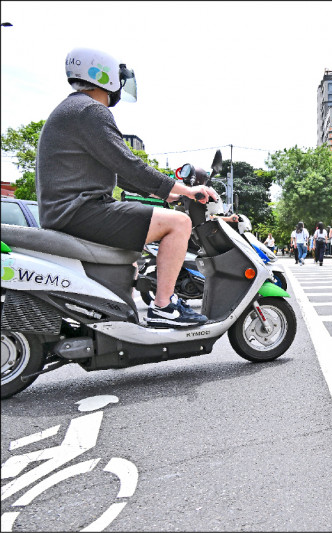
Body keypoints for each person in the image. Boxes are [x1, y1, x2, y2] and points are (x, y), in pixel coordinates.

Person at [36, 47, 218, 328]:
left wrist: (167, 192)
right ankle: (164, 307)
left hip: (68, 212)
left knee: (144, 240)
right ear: (104, 76)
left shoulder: (72, 110)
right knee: (179, 224)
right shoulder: (90, 111)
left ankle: (125, 308)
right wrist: (183, 189)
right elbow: (128, 164)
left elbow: (119, 173)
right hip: (80, 212)